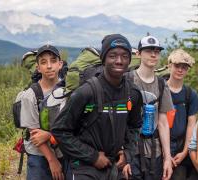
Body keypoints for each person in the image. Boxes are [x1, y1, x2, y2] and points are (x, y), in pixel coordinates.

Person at [51, 34, 143, 180]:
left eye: (124, 56)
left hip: (114, 167)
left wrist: (128, 153)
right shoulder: (86, 92)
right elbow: (60, 130)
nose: (119, 61)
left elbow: (135, 126)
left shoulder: (133, 93)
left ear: (129, 60)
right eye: (113, 56)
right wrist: (92, 156)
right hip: (84, 168)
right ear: (103, 59)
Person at [123, 35, 173, 180]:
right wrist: (123, 155)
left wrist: (167, 158)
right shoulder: (127, 80)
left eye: (157, 51)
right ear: (138, 54)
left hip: (154, 153)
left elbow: (163, 123)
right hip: (131, 151)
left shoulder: (162, 85)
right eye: (148, 50)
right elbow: (120, 120)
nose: (153, 54)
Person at [20, 44, 65, 180]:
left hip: (63, 151)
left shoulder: (68, 90)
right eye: (43, 62)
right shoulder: (31, 95)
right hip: (38, 153)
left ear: (60, 64)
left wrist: (49, 134)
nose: (49, 66)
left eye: (53, 61)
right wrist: (52, 160)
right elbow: (35, 135)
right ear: (38, 67)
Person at [166, 49, 198, 179]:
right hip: (158, 148)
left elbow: (192, 125)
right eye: (177, 66)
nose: (180, 70)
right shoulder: (160, 89)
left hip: (180, 149)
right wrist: (165, 153)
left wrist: (185, 152)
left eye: (184, 67)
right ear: (169, 65)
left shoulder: (190, 94)